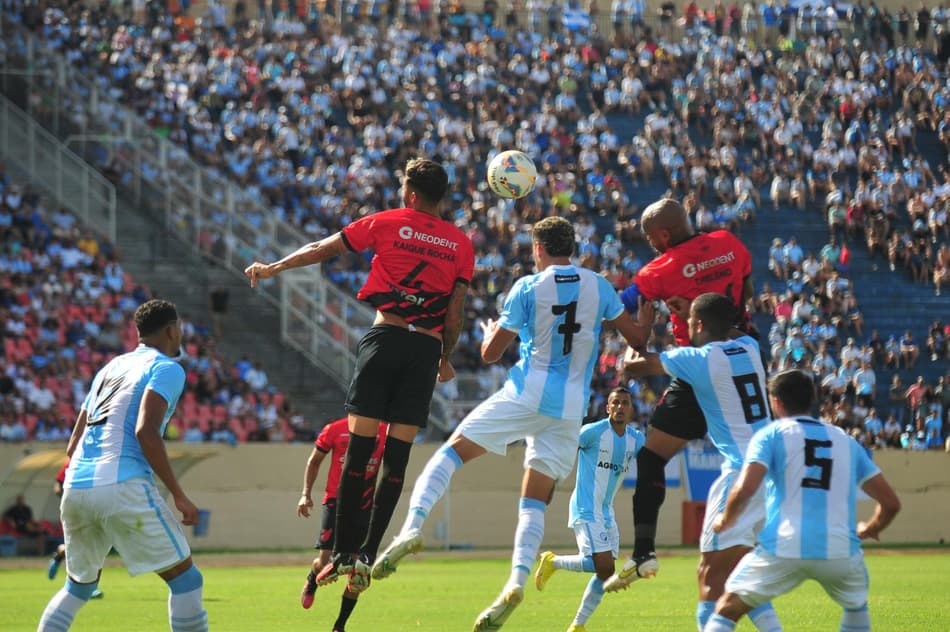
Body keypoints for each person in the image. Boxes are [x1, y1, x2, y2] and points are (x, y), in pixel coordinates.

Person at [369, 216, 654, 631]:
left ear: (539, 249)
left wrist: (489, 331)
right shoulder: (598, 285)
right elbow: (637, 338)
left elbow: (489, 353)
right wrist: (644, 323)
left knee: (452, 453)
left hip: (527, 393)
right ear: (570, 246)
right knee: (534, 501)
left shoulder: (527, 287)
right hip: (571, 409)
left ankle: (411, 528)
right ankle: (515, 581)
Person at [244, 158, 474, 592]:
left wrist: (273, 267)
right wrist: (443, 355)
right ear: (441, 196)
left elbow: (321, 249)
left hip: (385, 337)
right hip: (424, 348)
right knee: (397, 459)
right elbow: (455, 310)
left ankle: (345, 552)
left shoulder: (387, 222)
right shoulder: (461, 244)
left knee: (359, 448)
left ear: (410, 194)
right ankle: (368, 554)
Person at [37, 299, 207, 632]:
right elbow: (146, 431)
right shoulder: (167, 368)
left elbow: (74, 442)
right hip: (121, 483)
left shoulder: (110, 368)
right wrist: (179, 494)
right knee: (187, 580)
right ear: (173, 331)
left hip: (76, 485)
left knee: (78, 587)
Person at [610, 197, 755, 588]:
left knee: (653, 456)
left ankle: (643, 553)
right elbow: (745, 291)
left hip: (695, 368)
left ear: (661, 234)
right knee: (758, 443)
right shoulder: (730, 243)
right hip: (743, 354)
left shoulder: (660, 269)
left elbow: (618, 307)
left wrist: (638, 332)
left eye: (649, 238)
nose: (650, 245)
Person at [619, 293, 782, 632]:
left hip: (741, 473)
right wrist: (698, 314)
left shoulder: (699, 359)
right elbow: (729, 331)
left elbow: (632, 365)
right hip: (772, 473)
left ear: (700, 325)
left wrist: (643, 329)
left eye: (691, 320)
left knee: (710, 575)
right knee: (740, 571)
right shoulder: (750, 347)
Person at [703, 369, 902, 632]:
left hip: (783, 546)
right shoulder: (846, 440)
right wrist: (872, 528)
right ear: (813, 399)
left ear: (776, 402)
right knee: (856, 606)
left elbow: (745, 489)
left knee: (727, 608)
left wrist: (726, 519)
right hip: (840, 550)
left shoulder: (770, 435)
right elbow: (891, 504)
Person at [533, 387, 646, 632]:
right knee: (604, 566)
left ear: (631, 409)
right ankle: (554, 562)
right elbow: (564, 445)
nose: (620, 407)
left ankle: (578, 625)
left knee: (606, 571)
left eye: (625, 403)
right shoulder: (593, 433)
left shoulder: (636, 439)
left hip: (606, 511)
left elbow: (653, 458)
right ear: (607, 407)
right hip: (586, 507)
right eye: (615, 402)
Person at [297, 417, 387, 632]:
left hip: (364, 506)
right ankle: (312, 578)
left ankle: (340, 626)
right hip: (335, 501)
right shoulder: (334, 430)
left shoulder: (385, 432)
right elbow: (314, 461)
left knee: (358, 571)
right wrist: (305, 495)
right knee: (325, 560)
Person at [46, 459, 105, 599]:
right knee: (89, 546)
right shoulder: (74, 460)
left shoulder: (101, 459)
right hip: (77, 507)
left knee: (93, 546)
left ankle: (61, 553)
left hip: (94, 506)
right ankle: (87, 585)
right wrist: (66, 498)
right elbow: (58, 484)